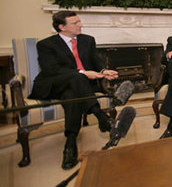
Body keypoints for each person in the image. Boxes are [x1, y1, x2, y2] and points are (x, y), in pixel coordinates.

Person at [29, 11, 119, 169]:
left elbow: (95, 60)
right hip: (54, 84)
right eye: (75, 23)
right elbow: (51, 70)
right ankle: (100, 115)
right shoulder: (46, 45)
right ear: (61, 27)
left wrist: (104, 71)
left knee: (71, 96)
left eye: (79, 21)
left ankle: (70, 145)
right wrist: (83, 73)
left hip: (76, 88)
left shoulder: (87, 40)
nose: (80, 25)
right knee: (77, 78)